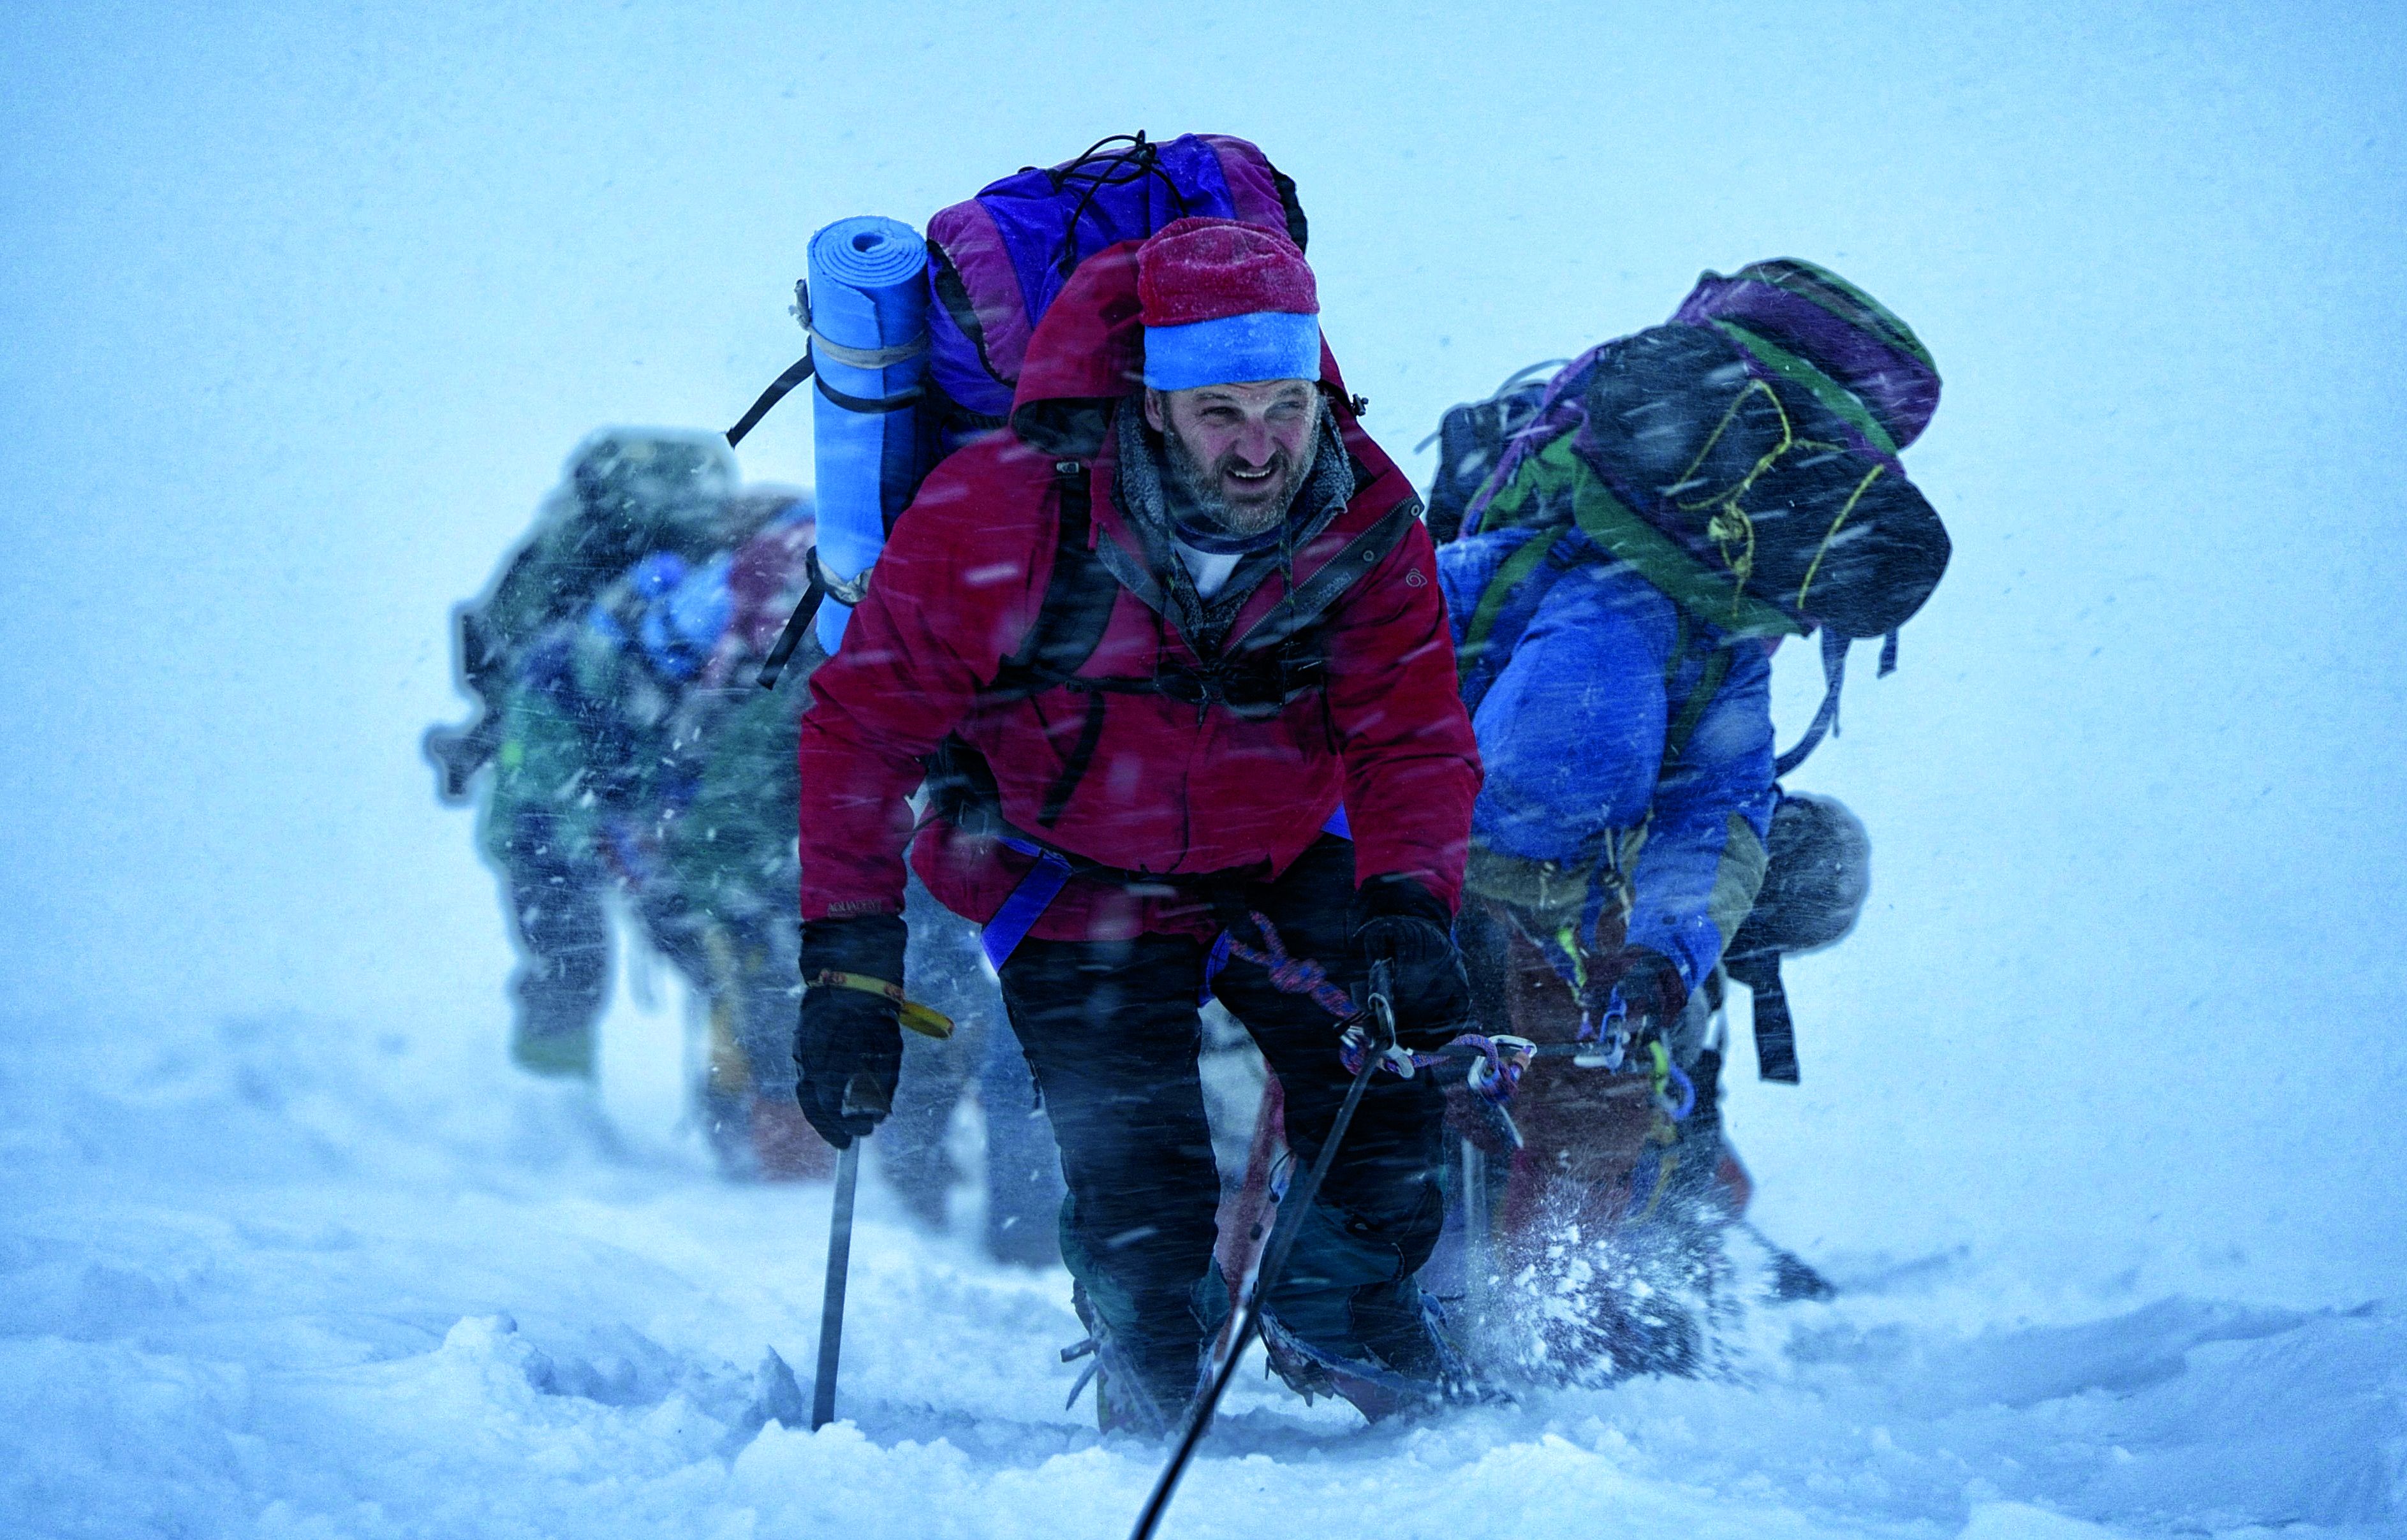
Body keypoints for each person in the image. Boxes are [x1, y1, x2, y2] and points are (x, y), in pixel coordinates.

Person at [788, 218, 1483, 1432]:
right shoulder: (998, 510)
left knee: (1398, 1043)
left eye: (1286, 403)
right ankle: (1149, 1368)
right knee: (1139, 1185)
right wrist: (847, 965)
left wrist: (1408, 900)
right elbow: (860, 730)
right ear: (1153, 405)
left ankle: (1339, 1304)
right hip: (1066, 877)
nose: (1261, 447)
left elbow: (1410, 733)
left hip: (1277, 856)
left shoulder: (1366, 519)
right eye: (1220, 411)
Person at [1429, 257, 1943, 1377]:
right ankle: (1555, 1334)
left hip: (1438, 866)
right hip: (1537, 895)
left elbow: (1373, 635)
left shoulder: (1542, 577)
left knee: (1420, 1084)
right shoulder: (1718, 647)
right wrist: (1667, 953)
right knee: (1583, 1113)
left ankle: (1470, 1322)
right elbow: (1714, 813)